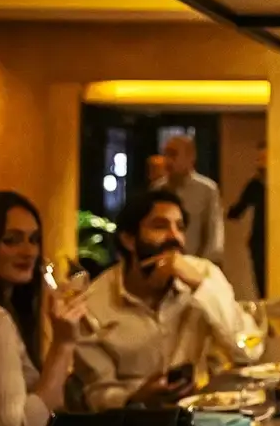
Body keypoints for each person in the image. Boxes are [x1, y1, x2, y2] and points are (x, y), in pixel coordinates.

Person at [74, 190, 262, 412]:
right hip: (135, 423)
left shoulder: (203, 275)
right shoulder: (94, 304)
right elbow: (97, 393)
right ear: (129, 240)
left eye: (180, 227)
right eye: (160, 226)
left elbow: (249, 350)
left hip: (205, 414)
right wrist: (137, 397)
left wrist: (200, 286)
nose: (175, 237)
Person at [0, 192, 87, 426]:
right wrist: (63, 344)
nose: (28, 251)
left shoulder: (3, 312)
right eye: (11, 240)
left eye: (33, 239)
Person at [153, 135, 223, 264]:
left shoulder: (207, 190)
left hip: (196, 264)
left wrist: (204, 267)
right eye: (165, 154)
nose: (168, 161)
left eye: (173, 154)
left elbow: (214, 234)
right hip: (162, 264)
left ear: (190, 157)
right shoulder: (157, 189)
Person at [228, 142, 267, 298]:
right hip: (259, 242)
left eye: (264, 158)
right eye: (259, 159)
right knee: (263, 288)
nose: (260, 163)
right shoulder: (255, 185)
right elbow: (237, 211)